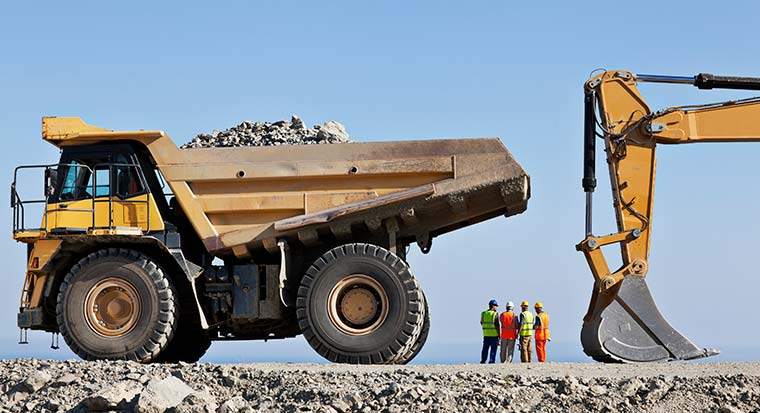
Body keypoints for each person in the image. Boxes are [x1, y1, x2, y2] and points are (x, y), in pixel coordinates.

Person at [480, 299, 500, 363]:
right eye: (496, 306)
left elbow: (481, 322)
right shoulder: (495, 314)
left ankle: (483, 361)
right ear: (493, 306)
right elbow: (497, 325)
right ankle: (491, 361)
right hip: (494, 335)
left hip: (486, 334)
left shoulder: (483, 313)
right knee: (493, 349)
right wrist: (499, 335)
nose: (496, 307)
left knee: (485, 349)